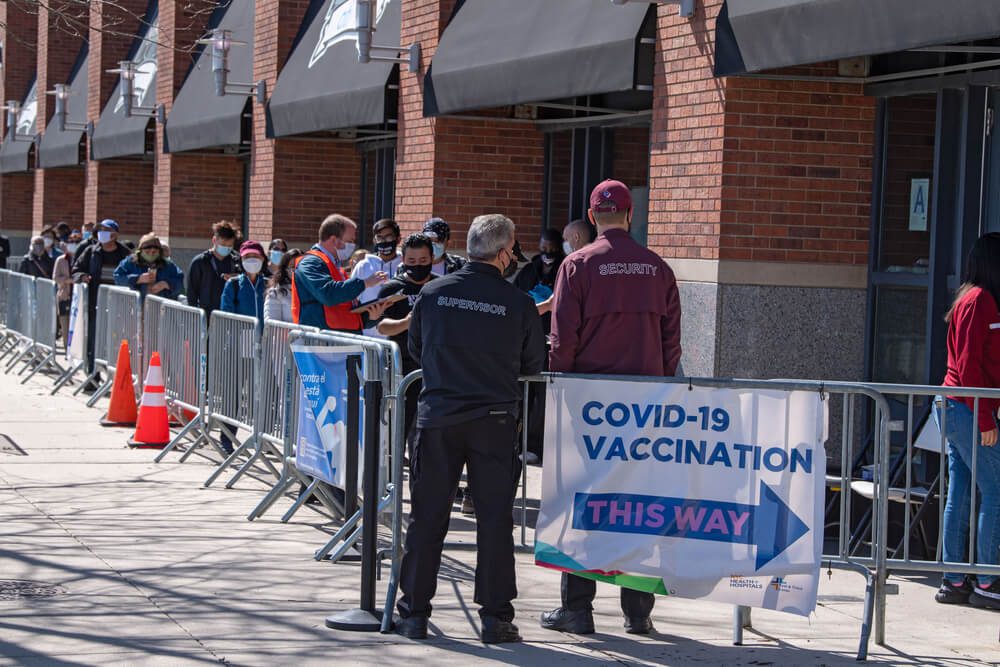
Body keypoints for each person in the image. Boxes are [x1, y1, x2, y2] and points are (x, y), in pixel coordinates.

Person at [395, 214, 545, 644]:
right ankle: (496, 618)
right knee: (494, 521)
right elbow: (532, 363)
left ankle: (414, 614)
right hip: (495, 422)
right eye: (513, 248)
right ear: (503, 252)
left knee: (427, 518)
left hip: (439, 417)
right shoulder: (516, 302)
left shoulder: (434, 293)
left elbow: (417, 349)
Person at [541, 180, 681, 636]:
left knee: (583, 505)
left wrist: (559, 387)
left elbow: (563, 338)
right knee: (639, 507)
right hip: (644, 408)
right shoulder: (657, 268)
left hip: (589, 405)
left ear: (591, 213)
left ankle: (578, 609)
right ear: (631, 212)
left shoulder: (577, 265)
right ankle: (638, 612)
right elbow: (671, 345)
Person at [934, 232, 1000, 610]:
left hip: (956, 406)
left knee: (959, 490)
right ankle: (987, 580)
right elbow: (970, 365)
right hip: (967, 408)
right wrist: (986, 417)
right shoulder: (980, 300)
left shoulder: (968, 297)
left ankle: (954, 578)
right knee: (994, 491)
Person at [375, 233, 436, 450]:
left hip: (435, 366)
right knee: (400, 421)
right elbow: (382, 326)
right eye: (411, 261)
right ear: (403, 260)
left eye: (423, 261)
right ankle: (392, 467)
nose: (417, 266)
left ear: (432, 259)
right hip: (403, 365)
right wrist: (407, 322)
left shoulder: (442, 287)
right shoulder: (392, 289)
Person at [291, 214, 388, 333]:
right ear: (333, 240)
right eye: (350, 241)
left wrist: (371, 316)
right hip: (319, 344)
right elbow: (328, 294)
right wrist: (365, 283)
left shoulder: (336, 267)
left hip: (337, 342)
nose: (353, 245)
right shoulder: (310, 263)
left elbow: (345, 309)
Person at [72, 219, 132, 379]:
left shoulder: (126, 254)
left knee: (116, 343)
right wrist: (82, 276)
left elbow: (133, 273)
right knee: (94, 341)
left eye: (106, 230)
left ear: (115, 234)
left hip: (119, 306)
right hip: (95, 304)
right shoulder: (91, 251)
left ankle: (115, 378)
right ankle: (93, 376)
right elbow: (76, 270)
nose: (102, 234)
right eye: (100, 230)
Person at [352, 218, 403, 337]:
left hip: (399, 337)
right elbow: (351, 301)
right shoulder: (364, 266)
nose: (384, 241)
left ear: (398, 239)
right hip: (370, 338)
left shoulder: (405, 265)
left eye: (389, 237)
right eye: (379, 238)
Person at [187, 220, 242, 317]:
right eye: (223, 245)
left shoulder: (237, 261)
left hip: (231, 316)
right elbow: (192, 293)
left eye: (230, 246)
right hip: (206, 316)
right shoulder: (200, 261)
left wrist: (238, 277)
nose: (227, 248)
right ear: (214, 240)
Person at [113, 233, 184, 300]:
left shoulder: (167, 265)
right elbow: (117, 277)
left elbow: (180, 282)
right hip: (133, 307)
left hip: (159, 308)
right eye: (147, 252)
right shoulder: (130, 262)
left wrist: (167, 284)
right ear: (140, 251)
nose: (151, 255)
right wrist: (138, 279)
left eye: (154, 252)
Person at [221, 241, 268, 325]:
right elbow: (226, 316)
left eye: (255, 256)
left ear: (263, 258)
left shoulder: (269, 284)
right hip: (239, 336)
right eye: (247, 256)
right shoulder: (232, 284)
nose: (251, 260)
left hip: (265, 337)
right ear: (241, 260)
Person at [53, 232, 82, 341]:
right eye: (71, 242)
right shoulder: (61, 260)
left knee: (77, 327)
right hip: (64, 296)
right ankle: (67, 350)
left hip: (79, 297)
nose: (73, 245)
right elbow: (55, 277)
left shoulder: (82, 259)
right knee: (65, 326)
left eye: (76, 242)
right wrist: (68, 281)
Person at [264, 249, 303, 323]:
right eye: (292, 266)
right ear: (285, 269)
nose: (296, 269)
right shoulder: (275, 293)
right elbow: (272, 325)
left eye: (300, 265)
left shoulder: (311, 291)